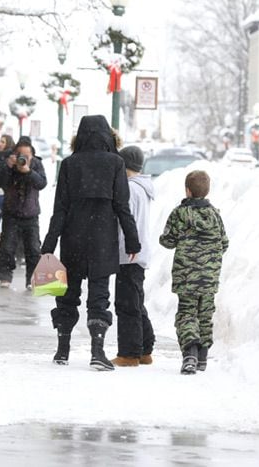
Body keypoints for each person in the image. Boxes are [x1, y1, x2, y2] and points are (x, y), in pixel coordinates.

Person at [41, 115, 141, 371]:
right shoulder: (116, 163)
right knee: (99, 296)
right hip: (102, 240)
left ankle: (62, 349)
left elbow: (59, 209)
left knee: (67, 294)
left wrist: (49, 243)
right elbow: (122, 206)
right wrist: (132, 240)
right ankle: (97, 350)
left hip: (73, 238)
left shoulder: (69, 164)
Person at [159, 170, 228, 374]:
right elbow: (224, 242)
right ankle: (203, 356)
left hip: (186, 275)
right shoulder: (215, 214)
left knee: (187, 313)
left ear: (187, 191)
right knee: (205, 314)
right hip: (209, 277)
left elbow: (167, 241)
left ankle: (190, 353)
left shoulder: (180, 213)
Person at [112, 146, 156, 367]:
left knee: (126, 303)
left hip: (128, 252)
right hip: (138, 253)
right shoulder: (143, 188)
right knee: (136, 301)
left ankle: (129, 353)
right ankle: (145, 348)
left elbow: (123, 220)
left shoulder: (129, 189)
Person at [0, 136, 47, 289]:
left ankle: (32, 279)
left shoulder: (36, 164)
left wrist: (28, 171)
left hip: (31, 214)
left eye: (27, 156)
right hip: (11, 212)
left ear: (32, 155)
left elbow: (42, 183)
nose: (23, 159)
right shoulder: (9, 165)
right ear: (15, 155)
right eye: (20, 155)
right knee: (7, 247)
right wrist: (7, 167)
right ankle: (5, 276)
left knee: (33, 249)